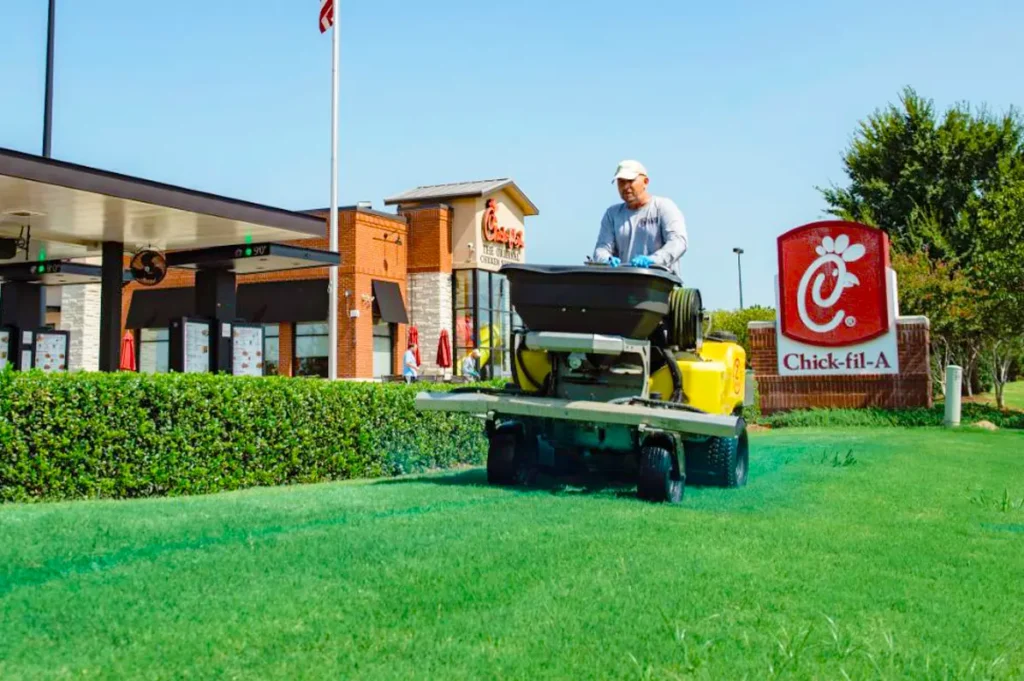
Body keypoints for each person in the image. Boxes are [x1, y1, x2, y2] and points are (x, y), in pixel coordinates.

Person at [592, 160, 688, 274]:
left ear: (645, 182)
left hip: (660, 283)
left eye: (630, 181)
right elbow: (602, 248)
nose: (626, 186)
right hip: (623, 283)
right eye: (621, 182)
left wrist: (653, 260)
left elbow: (678, 242)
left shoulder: (663, 207)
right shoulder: (612, 214)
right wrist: (606, 260)